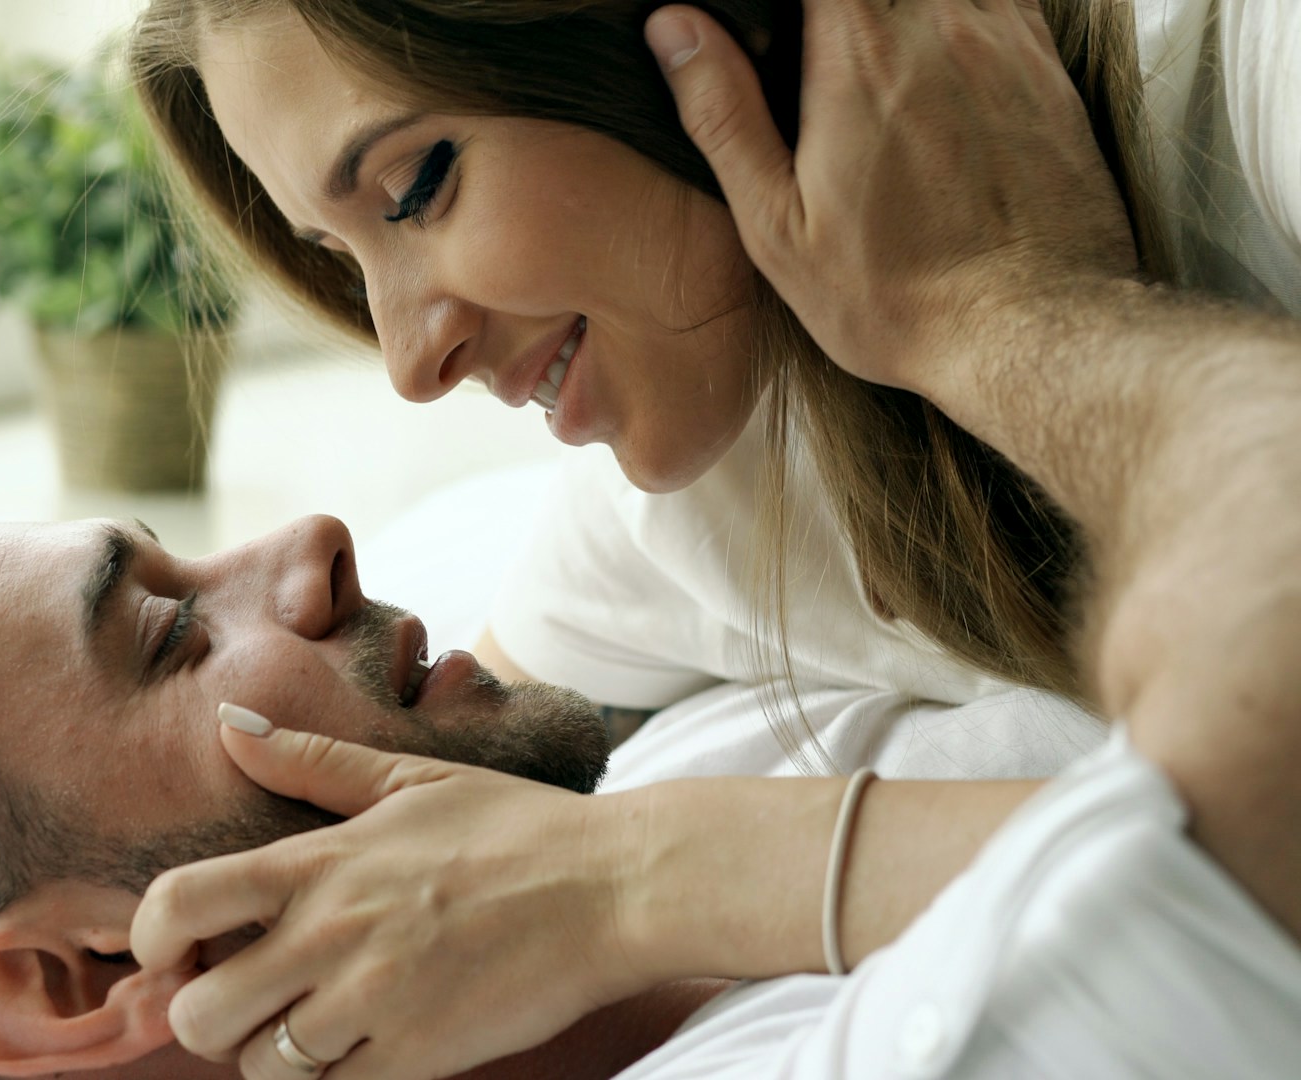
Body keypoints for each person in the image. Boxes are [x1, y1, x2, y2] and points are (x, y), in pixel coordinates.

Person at [107, 0, 1301, 1077]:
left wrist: (1002, 310)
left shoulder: (1252, 68)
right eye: (339, 257)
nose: (412, 364)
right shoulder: (699, 500)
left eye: (418, 185)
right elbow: (431, 814)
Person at [0, 466, 1100, 1079]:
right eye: (169, 636)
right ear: (77, 982)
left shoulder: (563, 714)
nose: (313, 543)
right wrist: (648, 881)